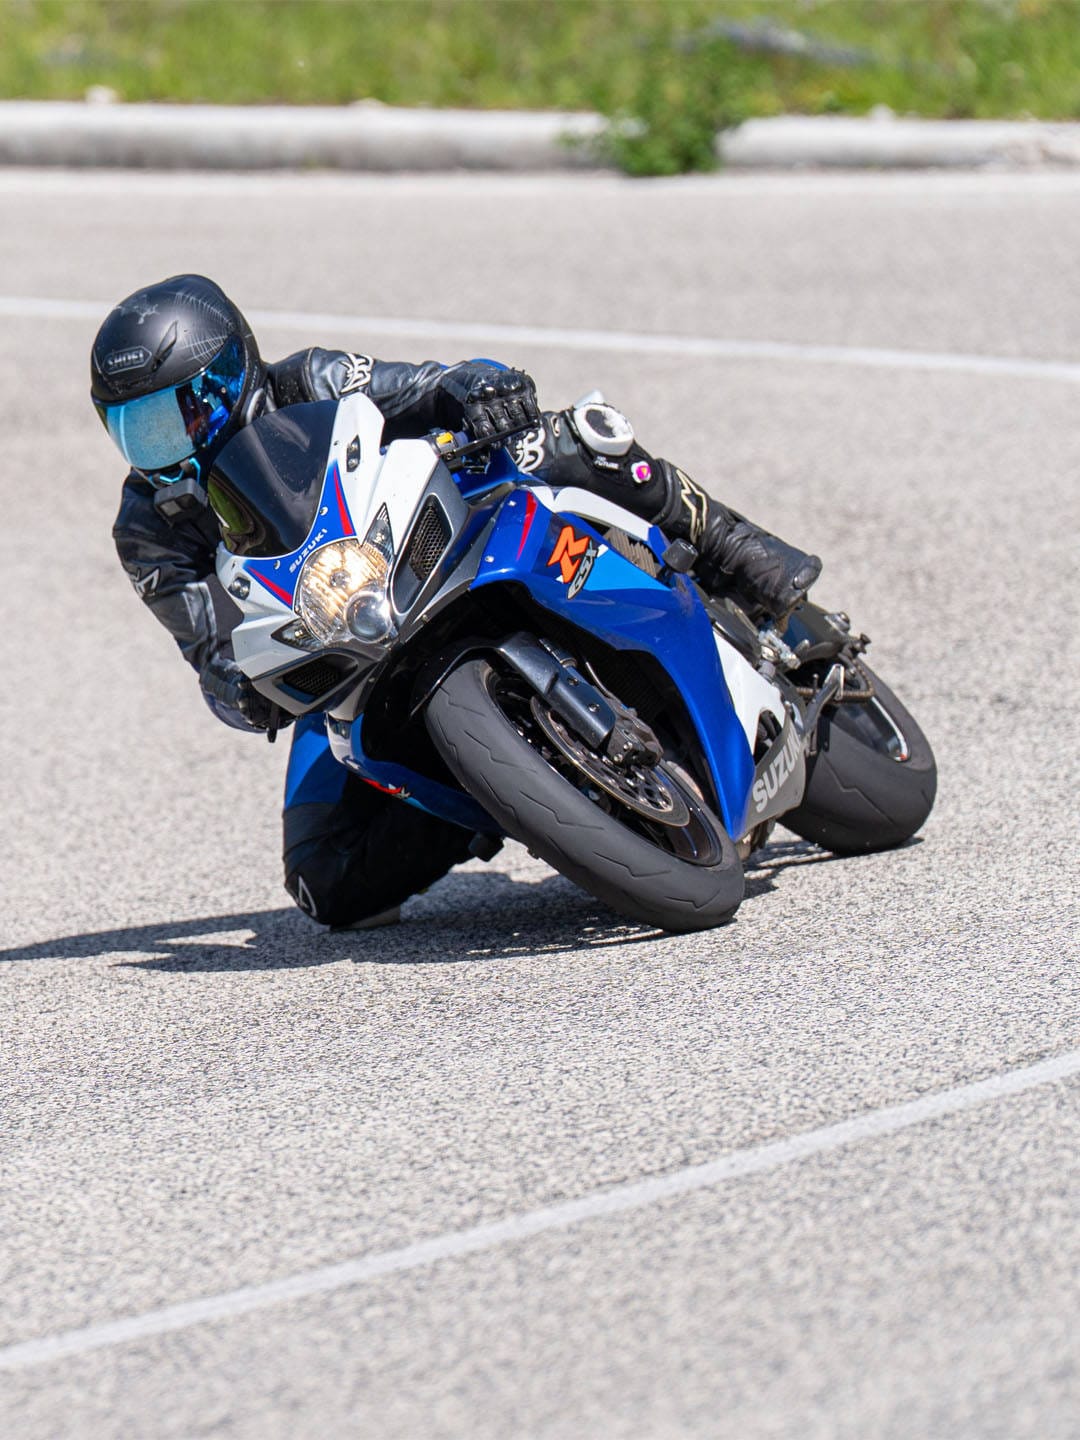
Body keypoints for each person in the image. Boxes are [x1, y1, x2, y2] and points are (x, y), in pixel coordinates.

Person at [92, 274, 821, 928]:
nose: (159, 446)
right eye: (134, 429)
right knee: (326, 884)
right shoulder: (147, 529)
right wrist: (232, 685)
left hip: (431, 538)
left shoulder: (309, 380)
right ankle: (496, 795)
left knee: (571, 440)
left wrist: (472, 387)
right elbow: (206, 643)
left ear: (227, 378)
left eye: (169, 418)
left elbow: (424, 386)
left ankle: (738, 555)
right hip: (344, 643)